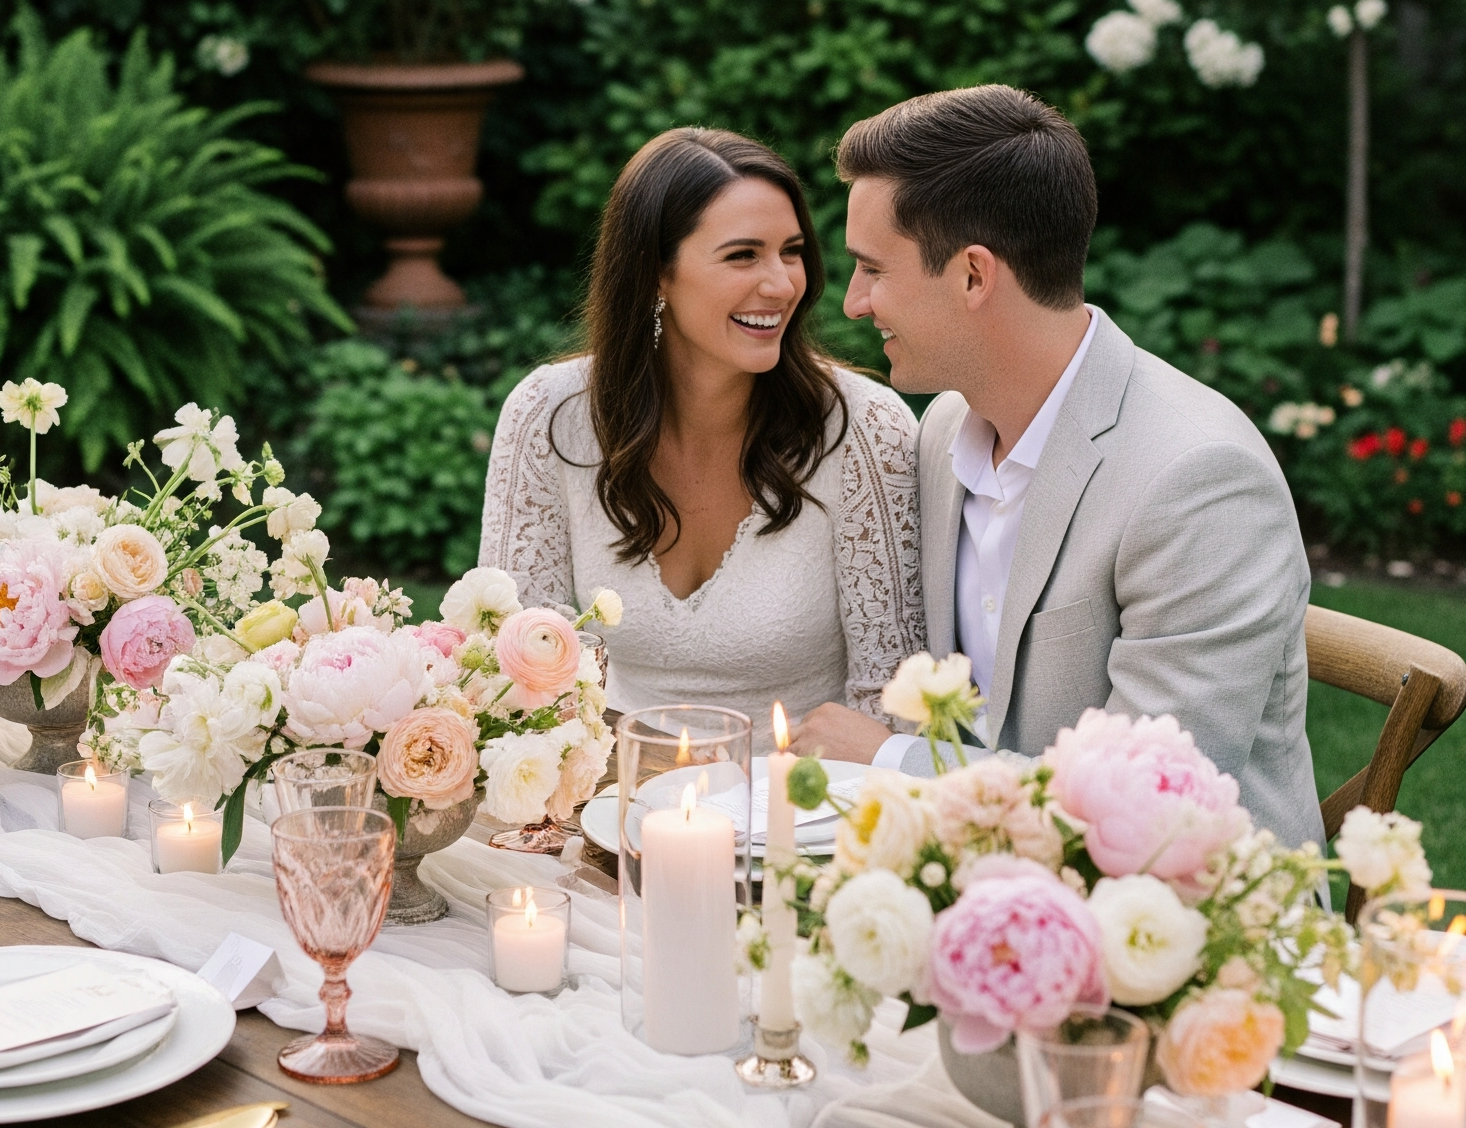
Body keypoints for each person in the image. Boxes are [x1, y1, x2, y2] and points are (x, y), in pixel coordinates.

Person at [797, 84, 1323, 845]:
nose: (853, 302)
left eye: (873, 269)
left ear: (974, 275)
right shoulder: (944, 429)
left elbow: (1146, 810)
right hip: (972, 871)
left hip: (1187, 902)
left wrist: (887, 760)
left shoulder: (1200, 480)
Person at [478, 127, 924, 740]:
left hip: (806, 794)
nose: (782, 284)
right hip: (614, 786)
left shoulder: (865, 430)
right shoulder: (549, 416)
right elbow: (515, 674)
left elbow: (892, 704)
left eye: (792, 251)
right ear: (656, 273)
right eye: (743, 255)